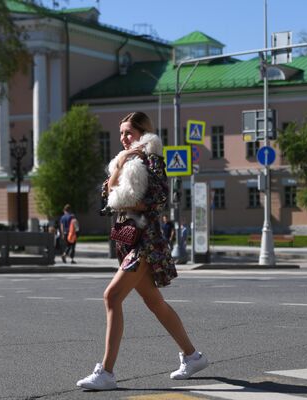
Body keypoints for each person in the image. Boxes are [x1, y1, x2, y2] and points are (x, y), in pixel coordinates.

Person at [76, 111, 208, 391]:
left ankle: (107, 372)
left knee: (111, 296)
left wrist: (126, 202)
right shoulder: (123, 162)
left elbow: (159, 198)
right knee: (154, 302)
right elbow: (106, 199)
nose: (124, 138)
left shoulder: (152, 161)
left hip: (146, 242)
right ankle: (192, 356)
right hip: (127, 239)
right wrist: (120, 167)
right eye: (121, 133)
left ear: (142, 133)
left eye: (129, 132)